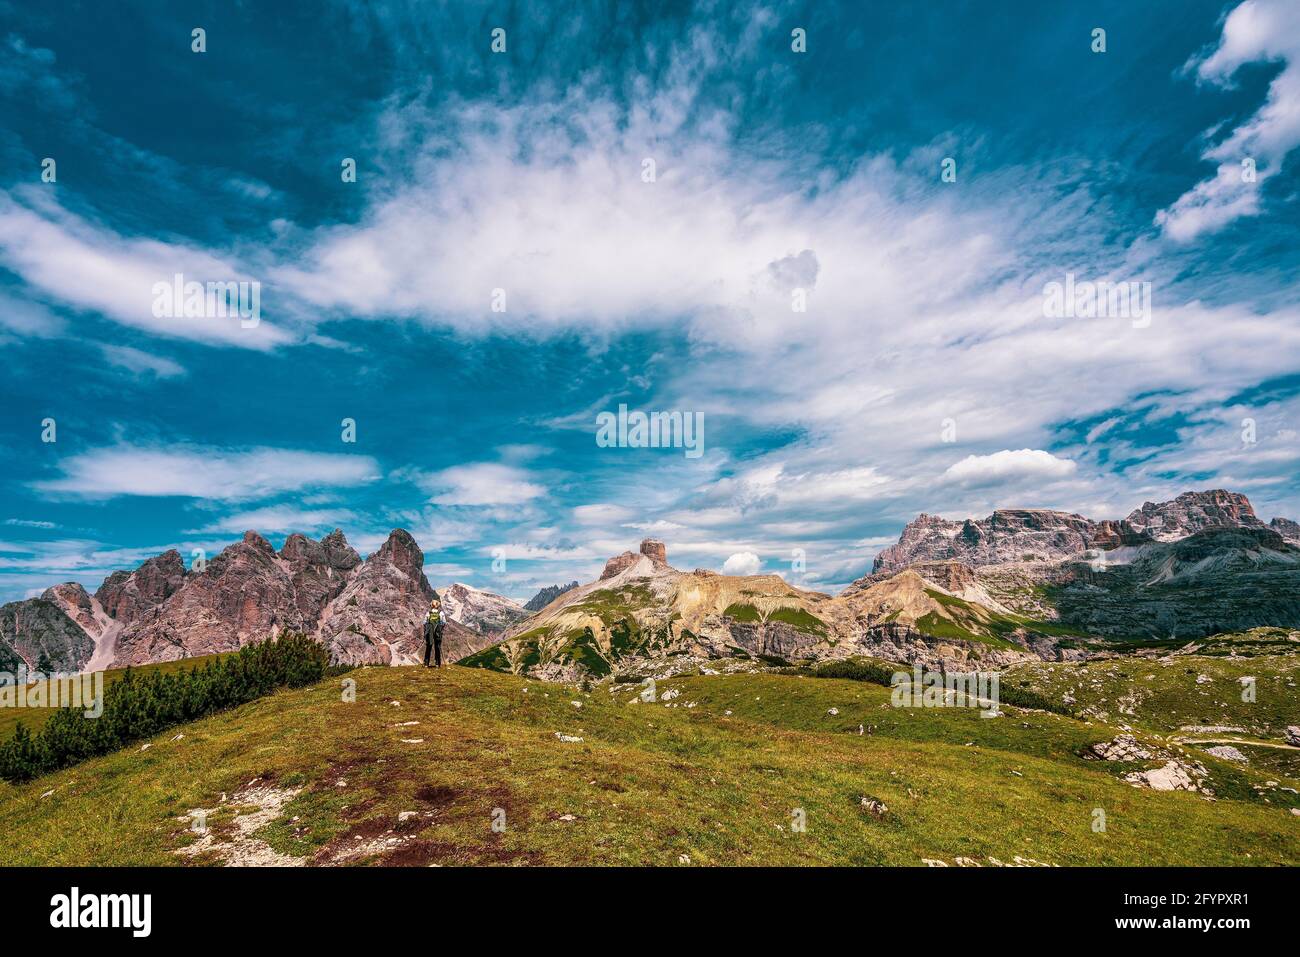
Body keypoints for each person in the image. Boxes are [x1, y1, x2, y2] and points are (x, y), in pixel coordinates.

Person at [423, 595, 444, 668]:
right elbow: (443, 622)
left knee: (428, 647)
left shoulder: (428, 613)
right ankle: (437, 664)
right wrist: (440, 629)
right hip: (438, 632)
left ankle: (426, 663)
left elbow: (425, 623)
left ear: (431, 605)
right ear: (438, 605)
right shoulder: (441, 613)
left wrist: (426, 631)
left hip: (430, 632)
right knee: (437, 647)